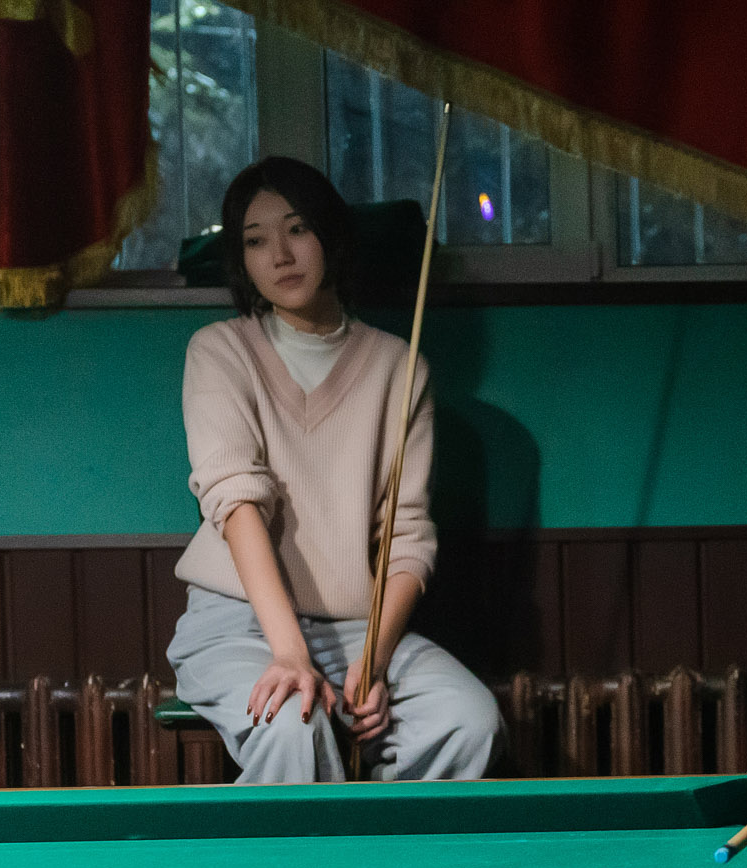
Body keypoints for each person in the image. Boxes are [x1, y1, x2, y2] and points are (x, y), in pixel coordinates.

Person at [166, 157, 502, 783]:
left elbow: (408, 539)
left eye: (297, 229)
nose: (280, 255)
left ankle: (383, 850)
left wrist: (373, 662)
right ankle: (291, 855)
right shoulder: (219, 350)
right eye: (256, 241)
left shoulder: (399, 367)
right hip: (240, 624)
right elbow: (237, 502)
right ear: (241, 261)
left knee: (468, 719)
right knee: (294, 724)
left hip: (356, 628)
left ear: (331, 235)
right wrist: (290, 653)